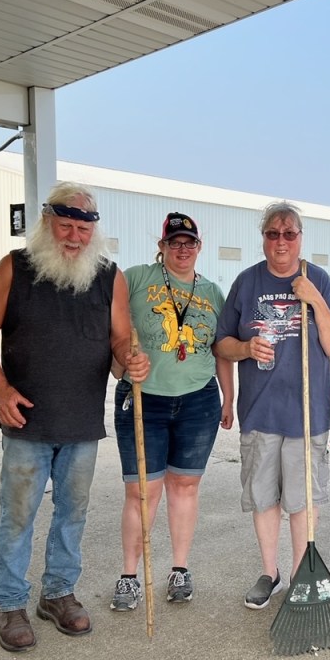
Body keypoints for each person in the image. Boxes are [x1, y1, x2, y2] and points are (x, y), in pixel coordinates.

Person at [0, 182, 149, 652]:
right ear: (47, 224)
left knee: (73, 513)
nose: (74, 237)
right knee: (18, 516)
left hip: (81, 421)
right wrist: (0, 389)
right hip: (26, 419)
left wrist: (131, 358)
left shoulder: (110, 277)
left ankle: (57, 594)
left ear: (95, 231)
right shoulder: (14, 269)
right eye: (65, 226)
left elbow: (119, 341)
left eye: (82, 229)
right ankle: (10, 603)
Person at [214, 201, 330, 610]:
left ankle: (298, 575)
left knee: (302, 500)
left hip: (307, 414)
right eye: (273, 233)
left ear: (300, 238)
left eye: (289, 233)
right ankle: (270, 573)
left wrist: (315, 300)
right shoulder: (246, 282)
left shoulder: (318, 280)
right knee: (263, 497)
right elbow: (221, 343)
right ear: (263, 239)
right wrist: (243, 346)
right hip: (260, 411)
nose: (281, 241)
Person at [110, 212, 234, 611]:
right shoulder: (134, 279)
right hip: (145, 397)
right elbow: (112, 329)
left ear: (199, 247)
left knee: (185, 486)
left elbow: (220, 350)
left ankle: (180, 568)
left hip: (198, 399)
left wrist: (229, 398)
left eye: (190, 242)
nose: (182, 249)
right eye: (174, 242)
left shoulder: (213, 292)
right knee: (142, 491)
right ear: (161, 247)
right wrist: (120, 363)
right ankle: (130, 575)